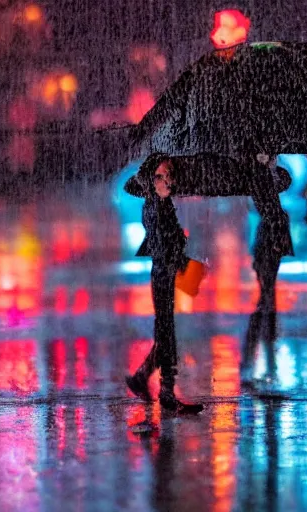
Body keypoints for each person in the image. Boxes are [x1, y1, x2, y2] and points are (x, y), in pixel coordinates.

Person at [124, 153, 204, 414]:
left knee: (166, 334)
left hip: (166, 271)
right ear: (151, 180)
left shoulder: (162, 203)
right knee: (166, 334)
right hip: (162, 272)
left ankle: (149, 381)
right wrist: (176, 259)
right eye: (160, 176)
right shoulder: (154, 206)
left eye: (168, 175)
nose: (166, 180)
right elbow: (160, 242)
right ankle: (164, 390)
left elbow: (169, 240)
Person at [241, 154, 294, 383]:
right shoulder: (269, 208)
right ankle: (260, 342)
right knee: (266, 299)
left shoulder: (274, 210)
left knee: (266, 299)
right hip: (267, 252)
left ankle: (261, 343)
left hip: (269, 252)